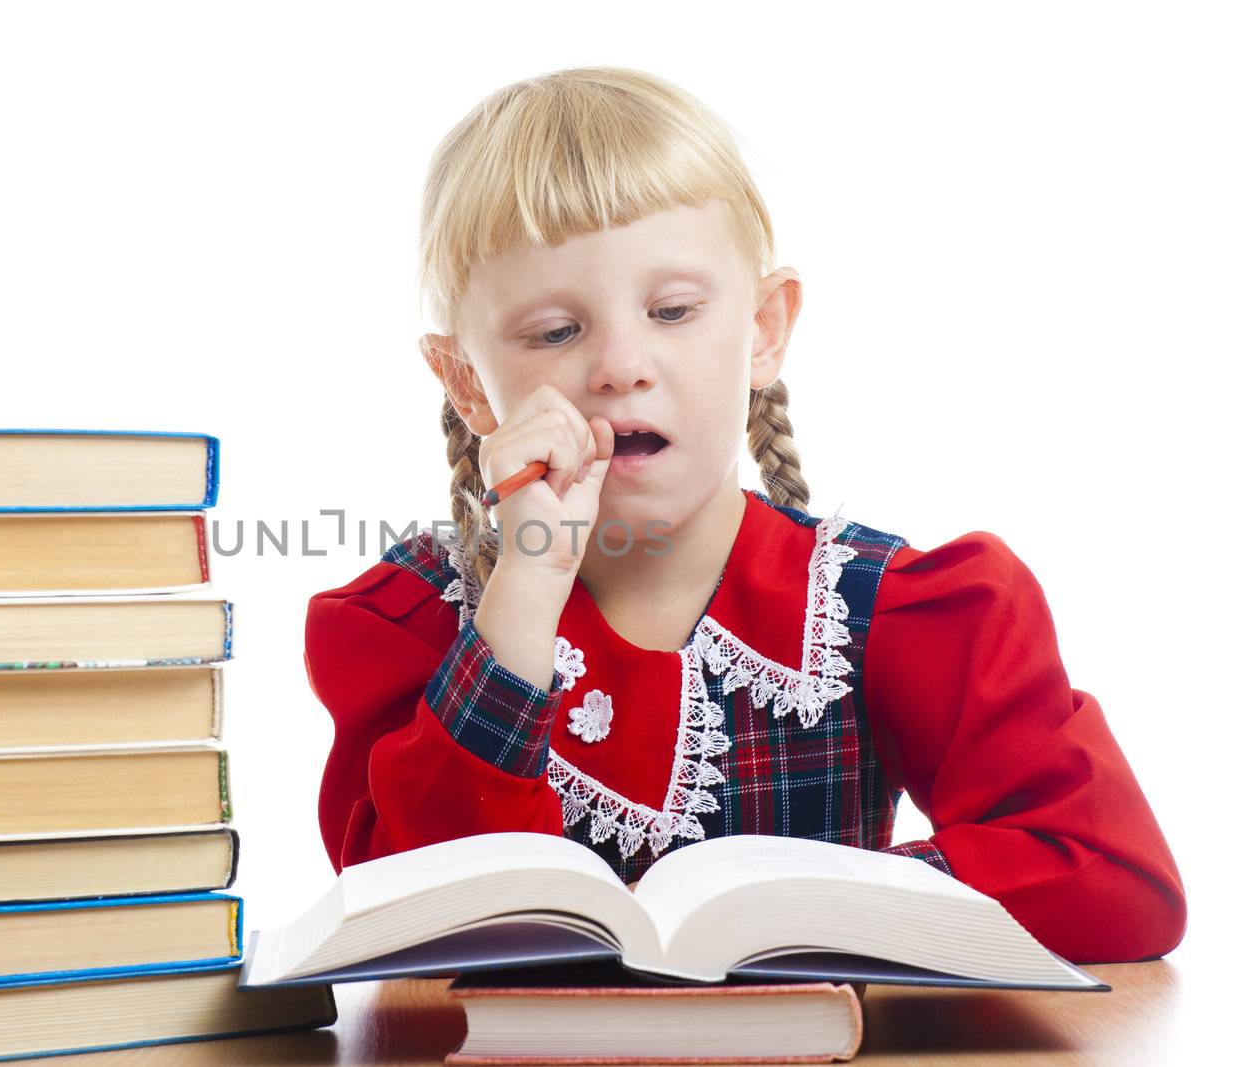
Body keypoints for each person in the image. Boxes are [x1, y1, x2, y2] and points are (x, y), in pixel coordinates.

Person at [303, 65, 1184, 964]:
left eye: (673, 310)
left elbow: (1113, 880)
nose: (620, 365)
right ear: (466, 382)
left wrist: (808, 911)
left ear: (763, 329)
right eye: (554, 332)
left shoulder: (900, 610)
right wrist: (526, 583)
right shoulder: (408, 625)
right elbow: (410, 922)